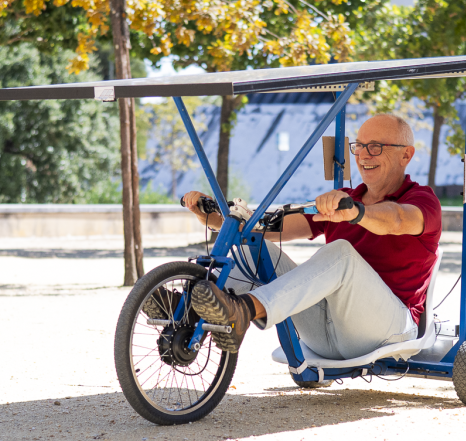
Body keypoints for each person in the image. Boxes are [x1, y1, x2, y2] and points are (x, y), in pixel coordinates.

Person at [182, 113, 442, 361]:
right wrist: (213, 217)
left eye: (375, 147)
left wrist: (356, 212)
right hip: (324, 333)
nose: (363, 155)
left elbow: (397, 219)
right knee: (255, 246)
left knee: (341, 253)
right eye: (359, 146)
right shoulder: (345, 198)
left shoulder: (422, 201)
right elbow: (267, 228)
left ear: (405, 155)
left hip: (389, 330)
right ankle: (187, 312)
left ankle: (244, 311)